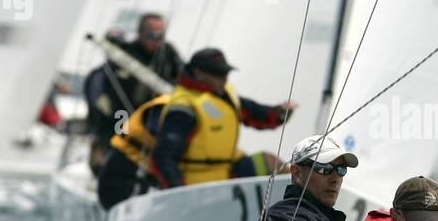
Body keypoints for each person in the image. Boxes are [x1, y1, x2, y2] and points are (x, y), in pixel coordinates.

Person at [96, 47, 294, 209]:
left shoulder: (223, 95)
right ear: (199, 74)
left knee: (269, 162)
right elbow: (163, 159)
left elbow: (255, 113)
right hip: (197, 184)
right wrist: (182, 198)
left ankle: (300, 211)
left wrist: (277, 113)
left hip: (224, 171)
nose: (224, 78)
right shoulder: (183, 109)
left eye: (225, 73)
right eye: (218, 74)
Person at [85, 14, 183, 174]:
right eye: (151, 35)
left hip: (155, 124)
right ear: (140, 33)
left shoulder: (168, 53)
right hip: (121, 117)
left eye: (161, 36)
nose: (157, 40)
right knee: (115, 157)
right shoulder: (126, 56)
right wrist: (119, 137)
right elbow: (115, 104)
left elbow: (182, 76)